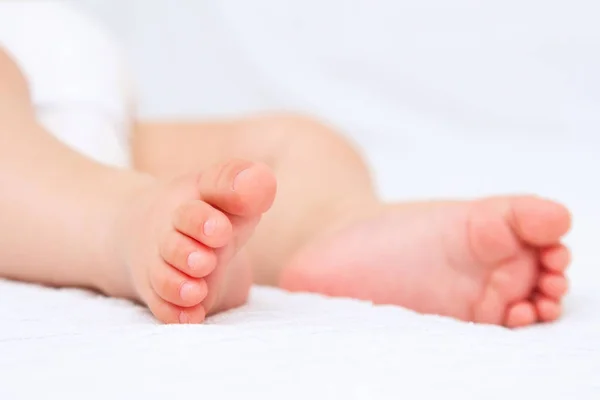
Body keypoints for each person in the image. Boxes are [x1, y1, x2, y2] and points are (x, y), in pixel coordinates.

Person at [0, 3, 571, 328]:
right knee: (115, 196)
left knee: (293, 143)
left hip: (66, 88)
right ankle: (124, 227)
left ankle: (331, 228)